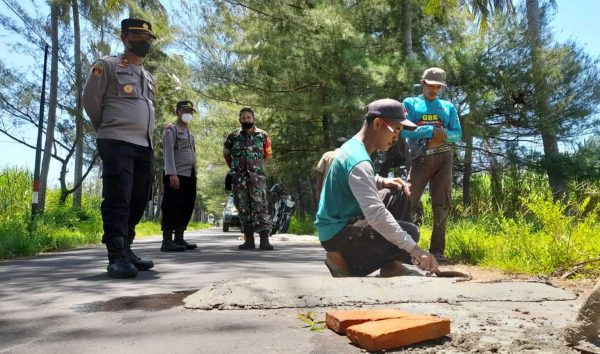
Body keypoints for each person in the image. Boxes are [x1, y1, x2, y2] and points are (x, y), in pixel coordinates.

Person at [315, 98, 439, 277]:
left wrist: (381, 181)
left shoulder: (352, 148)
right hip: (337, 232)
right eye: (396, 129)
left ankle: (392, 266)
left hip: (340, 221)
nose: (397, 137)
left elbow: (353, 179)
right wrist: (415, 250)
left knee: (397, 191)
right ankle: (341, 261)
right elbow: (376, 215)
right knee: (410, 232)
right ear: (378, 124)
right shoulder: (359, 161)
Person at [83, 18, 157, 278]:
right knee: (119, 196)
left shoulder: (147, 75)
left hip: (143, 145)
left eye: (148, 38)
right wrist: (107, 129)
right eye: (138, 36)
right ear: (125, 37)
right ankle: (115, 255)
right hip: (117, 141)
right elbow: (90, 99)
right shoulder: (108, 65)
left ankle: (127, 248)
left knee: (138, 197)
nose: (144, 41)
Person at [400, 67, 462, 264]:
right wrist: (431, 131)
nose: (434, 90)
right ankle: (404, 249)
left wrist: (441, 134)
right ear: (423, 83)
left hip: (444, 158)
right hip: (420, 159)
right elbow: (404, 131)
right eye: (431, 85)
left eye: (438, 87)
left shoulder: (448, 108)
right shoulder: (410, 104)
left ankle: (437, 252)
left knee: (441, 205)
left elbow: (457, 134)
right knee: (408, 201)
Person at [223, 108, 274, 250]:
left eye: (248, 118)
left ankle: (265, 240)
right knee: (243, 208)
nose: (246, 120)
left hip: (257, 178)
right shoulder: (232, 136)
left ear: (253, 119)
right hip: (239, 178)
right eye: (243, 118)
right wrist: (234, 169)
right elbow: (227, 155)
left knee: (261, 207)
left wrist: (257, 168)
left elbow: (267, 154)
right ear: (240, 120)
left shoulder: (263, 135)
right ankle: (249, 240)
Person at [160, 101, 198, 252]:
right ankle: (167, 241)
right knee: (172, 206)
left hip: (190, 174)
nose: (188, 113)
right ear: (177, 112)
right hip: (176, 175)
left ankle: (179, 238)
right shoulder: (171, 129)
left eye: (190, 111)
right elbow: (168, 152)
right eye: (185, 110)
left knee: (187, 205)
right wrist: (172, 173)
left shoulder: (189, 132)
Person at [315, 137, 347, 202]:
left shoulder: (327, 155)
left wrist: (318, 189)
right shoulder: (348, 156)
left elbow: (319, 173)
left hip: (327, 191)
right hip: (344, 192)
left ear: (335, 146)